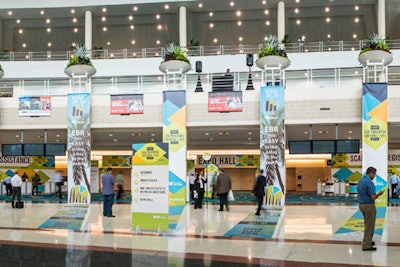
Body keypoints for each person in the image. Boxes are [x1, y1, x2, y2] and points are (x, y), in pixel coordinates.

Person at [357, 167, 384, 251]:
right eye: (374, 174)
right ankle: (366, 245)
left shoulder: (360, 181)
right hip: (369, 206)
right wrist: (379, 194)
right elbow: (373, 197)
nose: (374, 176)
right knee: (370, 226)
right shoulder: (369, 182)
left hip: (361, 205)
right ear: (371, 173)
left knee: (367, 224)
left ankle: (368, 241)